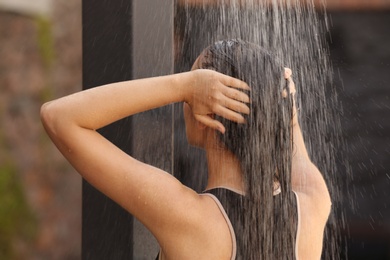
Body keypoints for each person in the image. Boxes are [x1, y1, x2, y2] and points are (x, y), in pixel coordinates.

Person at [41, 39, 331, 259]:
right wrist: (279, 102)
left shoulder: (186, 216)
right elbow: (290, 131)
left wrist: (181, 86)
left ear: (210, 115)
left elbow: (59, 117)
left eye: (194, 94)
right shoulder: (312, 206)